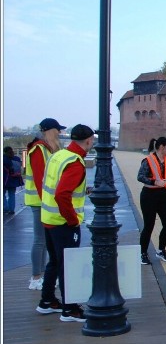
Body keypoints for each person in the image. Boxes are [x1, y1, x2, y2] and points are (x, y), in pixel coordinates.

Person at [37, 124, 99, 323]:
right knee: (68, 265)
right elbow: (62, 194)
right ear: (88, 140)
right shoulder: (75, 162)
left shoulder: (59, 155)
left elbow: (53, 185)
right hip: (63, 223)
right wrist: (72, 221)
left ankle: (47, 301)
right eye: (93, 140)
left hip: (48, 218)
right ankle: (70, 309)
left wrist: (82, 190)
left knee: (54, 261)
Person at [23, 118, 65, 290]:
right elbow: (42, 180)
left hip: (43, 202)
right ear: (50, 131)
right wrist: (51, 202)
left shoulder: (45, 149)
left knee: (45, 241)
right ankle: (36, 277)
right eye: (58, 130)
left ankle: (42, 274)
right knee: (40, 240)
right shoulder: (39, 150)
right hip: (40, 202)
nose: (60, 133)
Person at [137, 137, 166, 265]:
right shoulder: (148, 160)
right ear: (161, 147)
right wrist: (154, 181)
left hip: (163, 194)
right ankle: (143, 253)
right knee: (149, 225)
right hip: (149, 195)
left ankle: (161, 250)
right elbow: (140, 176)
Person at [3, 146, 24, 214]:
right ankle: (11, 209)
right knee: (12, 194)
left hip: (5, 180)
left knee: (2, 195)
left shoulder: (3, 159)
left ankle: (5, 208)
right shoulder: (17, 159)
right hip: (14, 179)